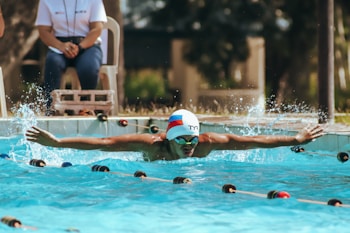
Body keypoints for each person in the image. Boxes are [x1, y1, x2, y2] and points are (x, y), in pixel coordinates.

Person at [25, 109, 324, 161]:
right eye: (182, 140)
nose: (189, 145)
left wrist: (295, 140)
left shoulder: (206, 145)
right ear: (169, 139)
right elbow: (104, 143)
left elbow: (254, 142)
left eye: (192, 139)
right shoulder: (153, 147)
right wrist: (59, 142)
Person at [35, 0, 107, 114]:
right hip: (58, 45)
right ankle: (52, 108)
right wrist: (61, 46)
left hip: (87, 45)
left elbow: (97, 29)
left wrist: (80, 47)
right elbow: (43, 31)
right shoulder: (46, 1)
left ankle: (86, 107)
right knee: (52, 62)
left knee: (89, 67)